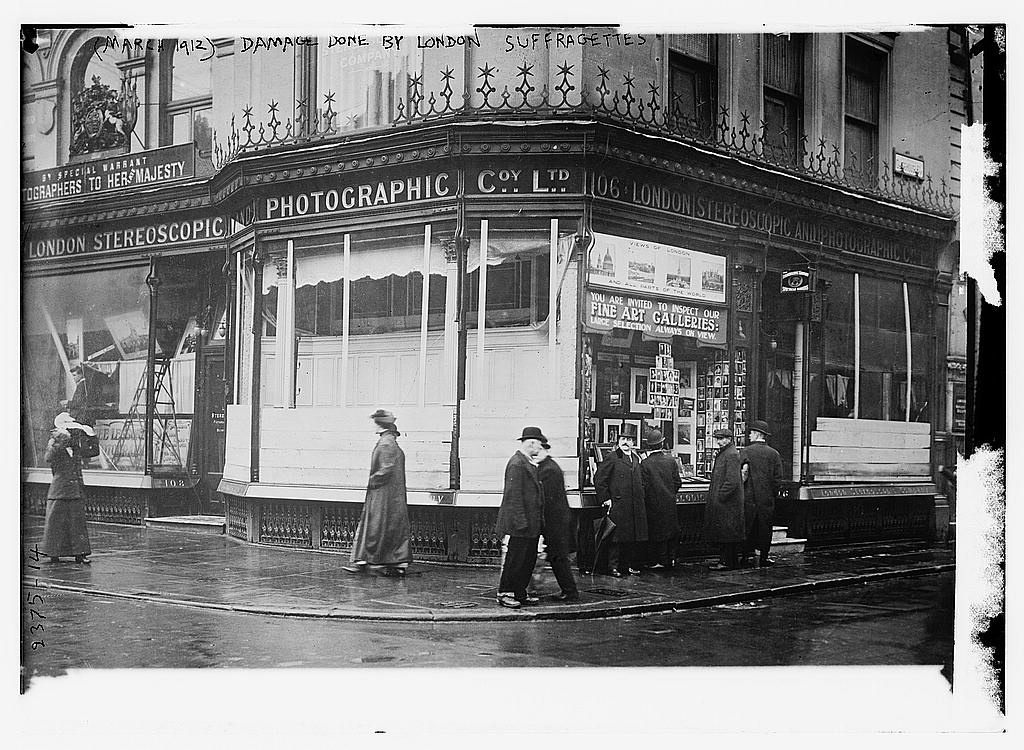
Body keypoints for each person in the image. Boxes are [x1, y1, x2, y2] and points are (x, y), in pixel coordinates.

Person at [345, 409, 412, 577]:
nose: (373, 425)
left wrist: (372, 481)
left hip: (383, 495)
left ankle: (365, 560)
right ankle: (390, 561)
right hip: (390, 495)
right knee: (385, 526)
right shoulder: (389, 441)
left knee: (375, 526)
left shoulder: (386, 443)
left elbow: (386, 469)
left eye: (375, 422)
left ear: (381, 425)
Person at [495, 426, 547, 608]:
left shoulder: (527, 463)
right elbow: (514, 496)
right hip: (521, 525)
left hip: (530, 525)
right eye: (538, 446)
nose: (540, 449)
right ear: (531, 443)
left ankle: (519, 591)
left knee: (527, 560)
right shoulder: (517, 464)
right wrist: (521, 522)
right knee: (515, 560)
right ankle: (505, 593)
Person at [593, 424, 648, 577]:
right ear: (618, 441)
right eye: (623, 439)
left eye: (629, 439)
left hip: (634, 504)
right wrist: (606, 499)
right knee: (616, 538)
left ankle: (627, 566)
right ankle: (613, 567)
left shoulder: (636, 458)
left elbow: (642, 480)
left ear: (633, 442)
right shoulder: (612, 457)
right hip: (618, 504)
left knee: (630, 538)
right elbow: (599, 479)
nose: (626, 442)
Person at [40, 413, 95, 564]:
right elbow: (48, 458)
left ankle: (80, 554)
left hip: (74, 489)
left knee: (77, 524)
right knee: (55, 524)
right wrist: (61, 439)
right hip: (60, 489)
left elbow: (92, 452)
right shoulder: (56, 443)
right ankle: (53, 553)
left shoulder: (75, 447)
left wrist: (92, 435)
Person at [536, 440, 579, 602]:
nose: (536, 454)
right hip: (556, 522)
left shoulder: (548, 469)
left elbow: (546, 499)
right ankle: (568, 590)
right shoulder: (549, 466)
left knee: (558, 559)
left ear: (545, 450)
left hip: (555, 523)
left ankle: (570, 592)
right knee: (557, 559)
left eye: (539, 450)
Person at [741, 420, 784, 568]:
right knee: (765, 528)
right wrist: (772, 494)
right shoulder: (774, 454)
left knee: (747, 527)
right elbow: (778, 479)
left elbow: (742, 474)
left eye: (751, 433)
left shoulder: (745, 451)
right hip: (766, 499)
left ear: (757, 434)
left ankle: (746, 556)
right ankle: (764, 557)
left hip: (748, 497)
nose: (749, 436)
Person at [640, 429, 682, 570]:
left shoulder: (645, 463)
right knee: (670, 532)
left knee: (656, 534)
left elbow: (643, 486)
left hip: (652, 505)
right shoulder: (671, 461)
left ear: (649, 446)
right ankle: (671, 559)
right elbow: (678, 482)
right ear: (662, 444)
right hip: (669, 502)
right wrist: (670, 493)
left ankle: (659, 561)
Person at [704, 427, 745, 570]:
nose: (718, 442)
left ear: (729, 439)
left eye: (721, 439)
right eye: (717, 439)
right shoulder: (726, 453)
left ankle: (726, 562)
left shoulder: (731, 454)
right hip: (727, 502)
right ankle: (729, 561)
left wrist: (720, 496)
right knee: (726, 533)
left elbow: (732, 481)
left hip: (728, 503)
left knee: (727, 534)